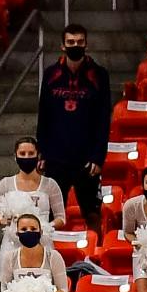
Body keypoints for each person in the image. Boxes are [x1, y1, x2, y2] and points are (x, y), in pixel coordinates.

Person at [36, 25, 110, 228]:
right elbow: (44, 115)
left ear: (85, 44)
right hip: (56, 157)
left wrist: (98, 156)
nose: (75, 46)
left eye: (79, 42)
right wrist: (41, 151)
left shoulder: (99, 75)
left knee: (92, 212)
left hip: (86, 159)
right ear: (62, 45)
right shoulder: (51, 74)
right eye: (70, 42)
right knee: (50, 212)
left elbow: (104, 118)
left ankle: (95, 256)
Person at [0, 136, 67, 271]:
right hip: (12, 244)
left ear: (38, 156)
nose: (26, 157)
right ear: (15, 156)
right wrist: (7, 221)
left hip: (42, 243)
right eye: (22, 154)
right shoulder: (5, 183)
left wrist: (45, 226)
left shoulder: (50, 185)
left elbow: (61, 218)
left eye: (31, 154)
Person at [0, 214, 69, 292]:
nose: (28, 232)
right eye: (24, 229)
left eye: (33, 229)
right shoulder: (10, 257)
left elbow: (63, 291)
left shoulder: (53, 256)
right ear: (17, 234)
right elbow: (4, 289)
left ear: (41, 232)